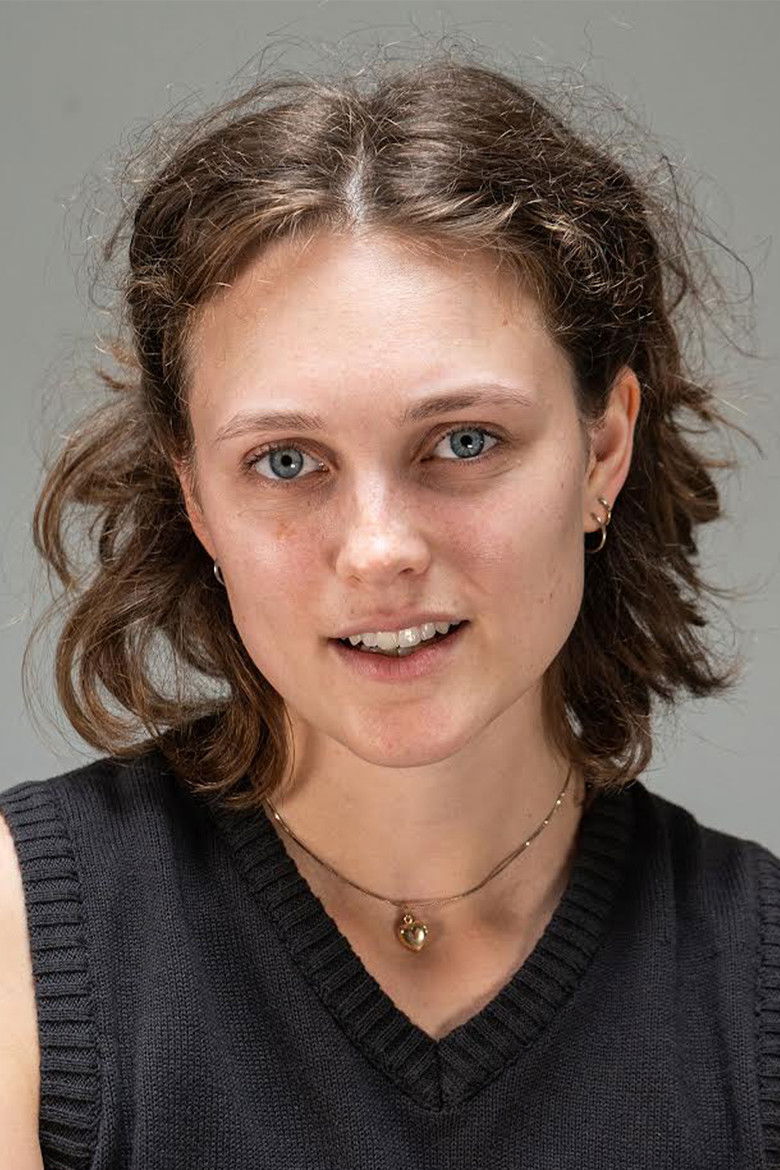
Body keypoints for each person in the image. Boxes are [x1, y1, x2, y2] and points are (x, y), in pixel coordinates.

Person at [1, 51, 777, 1170]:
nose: (377, 551)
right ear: (195, 496)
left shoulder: (756, 973)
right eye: (286, 460)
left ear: (603, 448)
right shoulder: (19, 939)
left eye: (463, 441)